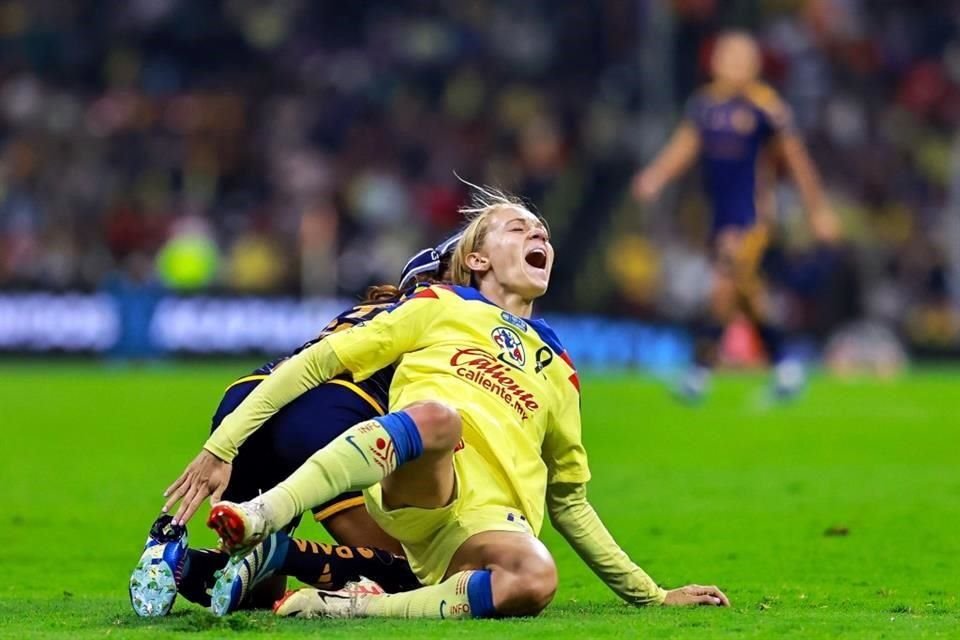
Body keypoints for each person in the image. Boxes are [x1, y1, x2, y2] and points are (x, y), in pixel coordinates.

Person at [164, 185, 730, 620]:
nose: (539, 236)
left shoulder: (559, 368)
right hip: (424, 481)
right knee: (440, 418)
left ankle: (346, 607)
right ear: (478, 259)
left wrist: (652, 596)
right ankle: (263, 517)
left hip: (486, 529)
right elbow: (317, 362)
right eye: (517, 227)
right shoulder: (440, 304)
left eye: (544, 233)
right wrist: (222, 447)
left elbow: (570, 502)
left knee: (536, 578)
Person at [129, 238, 461, 617]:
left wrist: (221, 445)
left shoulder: (367, 309)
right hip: (331, 410)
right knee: (416, 576)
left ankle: (184, 563)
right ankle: (279, 553)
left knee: (255, 592)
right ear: (437, 279)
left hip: (251, 394)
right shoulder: (445, 311)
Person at [632, 31, 840, 401]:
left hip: (752, 216)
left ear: (755, 64)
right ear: (715, 62)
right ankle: (786, 367)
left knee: (725, 287)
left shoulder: (766, 107)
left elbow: (797, 161)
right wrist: (655, 177)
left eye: (743, 58)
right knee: (746, 295)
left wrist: (818, 211)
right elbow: (684, 148)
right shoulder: (704, 106)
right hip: (718, 216)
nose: (736, 65)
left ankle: (698, 374)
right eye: (729, 57)